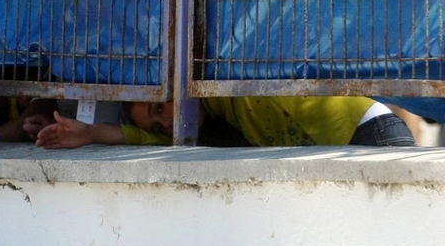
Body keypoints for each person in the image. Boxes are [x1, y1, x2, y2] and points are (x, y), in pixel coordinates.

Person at [33, 96, 417, 148]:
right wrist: (87, 134)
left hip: (369, 131)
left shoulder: (215, 75)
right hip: (343, 148)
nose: (166, 122)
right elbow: (138, 137)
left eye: (159, 109)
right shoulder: (216, 115)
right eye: (159, 125)